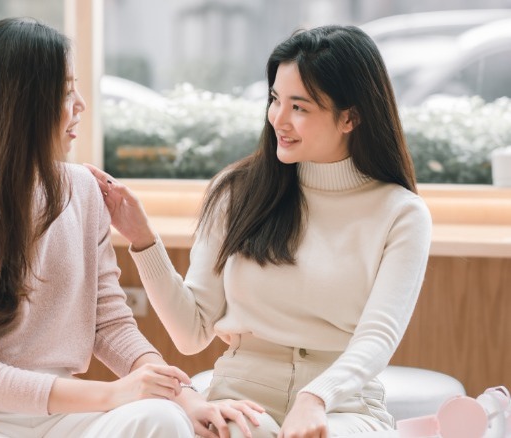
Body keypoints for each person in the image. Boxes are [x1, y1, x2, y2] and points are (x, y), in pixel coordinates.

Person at [0, 17, 263, 438]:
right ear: (21, 105)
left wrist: (187, 399)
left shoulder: (82, 190)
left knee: (164, 420)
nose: (80, 105)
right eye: (65, 91)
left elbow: (110, 324)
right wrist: (114, 394)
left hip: (61, 411)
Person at [87, 25, 432, 438]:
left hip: (343, 405)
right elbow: (191, 332)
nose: (278, 120)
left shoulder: (401, 214)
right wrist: (142, 239)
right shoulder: (237, 192)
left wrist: (315, 397)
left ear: (350, 117)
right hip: (240, 395)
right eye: (274, 100)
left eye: (299, 107)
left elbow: (377, 337)